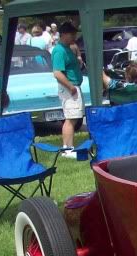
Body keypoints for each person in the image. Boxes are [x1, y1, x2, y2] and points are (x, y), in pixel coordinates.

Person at [52, 22, 84, 158]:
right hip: (69, 88)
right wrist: (70, 86)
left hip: (74, 86)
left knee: (73, 118)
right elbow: (57, 73)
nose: (74, 37)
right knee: (71, 118)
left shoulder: (68, 48)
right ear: (64, 34)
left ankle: (67, 148)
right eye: (72, 34)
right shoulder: (59, 50)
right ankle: (68, 149)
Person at [102, 62, 137, 132]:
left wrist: (101, 71)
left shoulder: (116, 88)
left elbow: (106, 80)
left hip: (120, 128)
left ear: (126, 76)